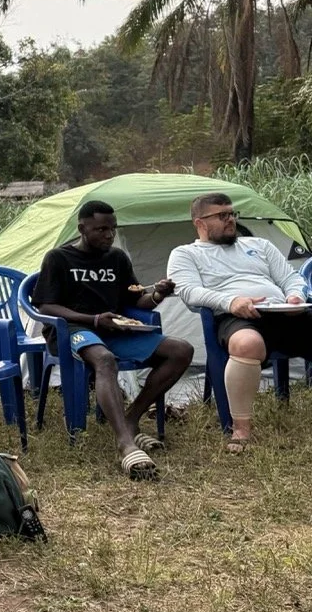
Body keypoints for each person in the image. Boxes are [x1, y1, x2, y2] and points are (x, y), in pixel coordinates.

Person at [30, 200, 193, 480]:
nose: (109, 235)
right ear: (82, 228)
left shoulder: (116, 259)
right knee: (104, 360)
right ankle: (125, 443)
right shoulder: (58, 258)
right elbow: (45, 307)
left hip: (113, 328)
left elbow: (136, 300)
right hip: (72, 330)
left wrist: (157, 295)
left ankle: (131, 418)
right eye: (101, 229)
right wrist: (92, 319)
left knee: (181, 350)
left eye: (113, 229)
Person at [168, 192, 312, 453]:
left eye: (232, 214)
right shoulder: (185, 254)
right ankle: (242, 429)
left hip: (283, 312)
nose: (230, 220)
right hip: (234, 316)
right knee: (247, 344)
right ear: (199, 223)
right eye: (222, 216)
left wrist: (295, 296)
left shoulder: (260, 245)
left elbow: (291, 278)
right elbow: (188, 292)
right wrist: (231, 301)